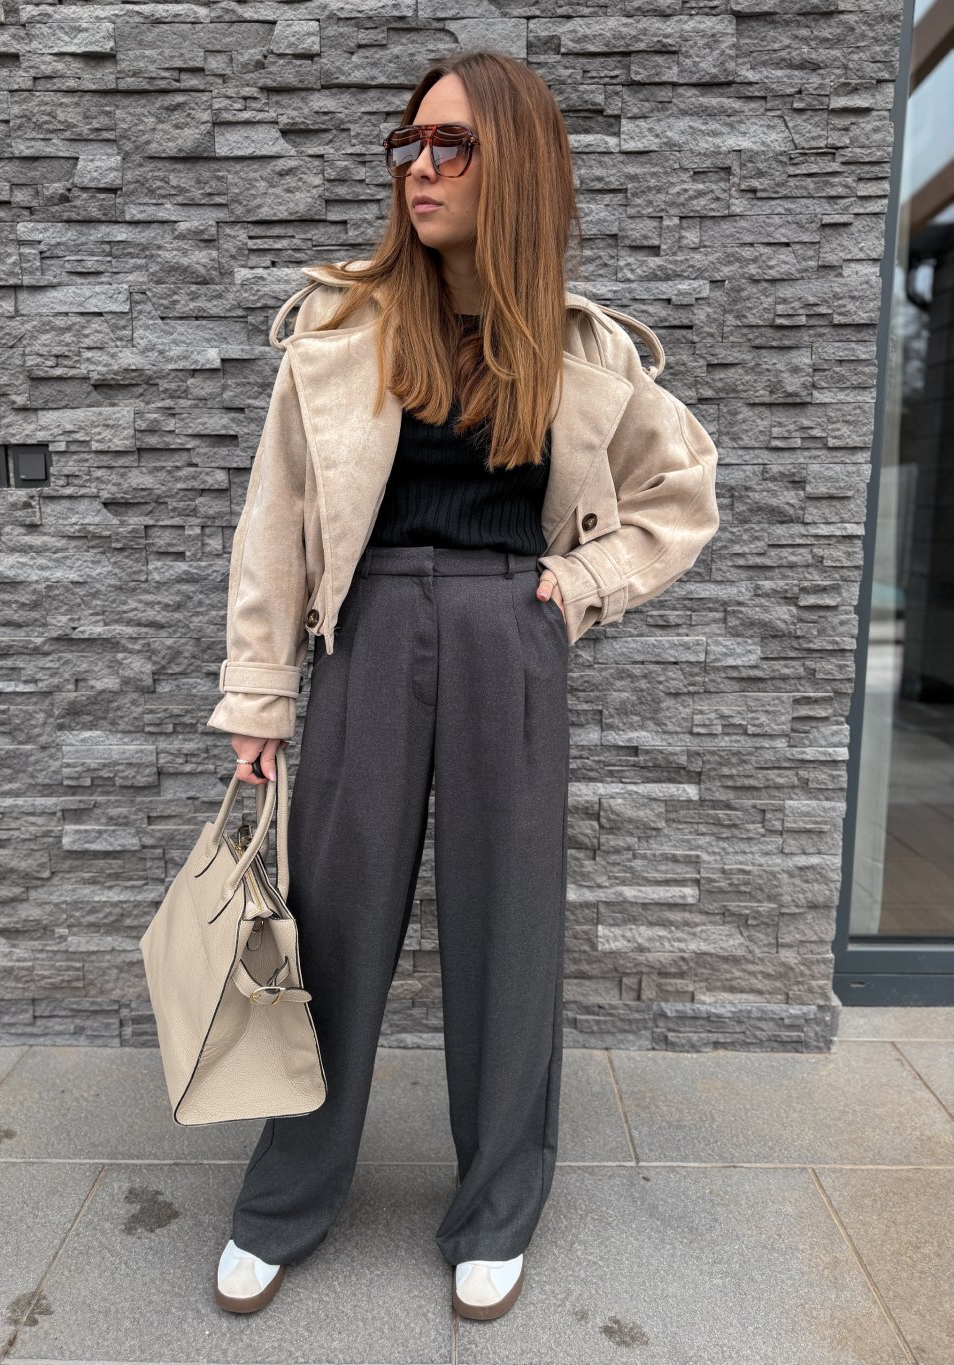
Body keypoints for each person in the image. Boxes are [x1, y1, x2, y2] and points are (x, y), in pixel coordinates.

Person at [207, 49, 720, 1323]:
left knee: (509, 930)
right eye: (410, 145)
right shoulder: (342, 326)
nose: (419, 169)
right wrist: (258, 699)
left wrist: (579, 584)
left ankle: (495, 1207)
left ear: (519, 166)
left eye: (452, 146)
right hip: (368, 630)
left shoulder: (581, 347)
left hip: (510, 630)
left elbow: (679, 496)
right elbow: (276, 522)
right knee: (331, 925)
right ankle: (286, 1199)